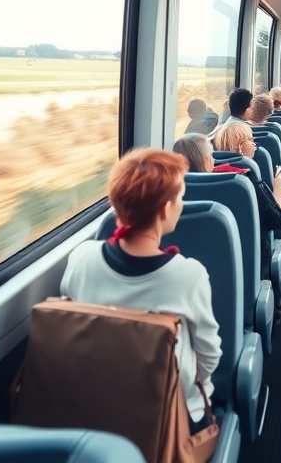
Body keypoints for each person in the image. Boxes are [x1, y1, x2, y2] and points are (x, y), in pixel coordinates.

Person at [60, 148, 221, 430]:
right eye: (180, 198)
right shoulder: (188, 275)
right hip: (171, 416)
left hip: (95, 408)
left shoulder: (81, 257)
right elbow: (209, 357)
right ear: (164, 209)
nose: (182, 204)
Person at [214, 124, 281, 287]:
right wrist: (278, 187)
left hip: (222, 248)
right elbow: (276, 218)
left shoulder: (211, 170)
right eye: (251, 140)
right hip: (260, 240)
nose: (255, 144)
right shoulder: (247, 177)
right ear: (242, 145)